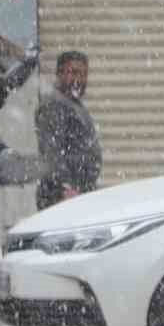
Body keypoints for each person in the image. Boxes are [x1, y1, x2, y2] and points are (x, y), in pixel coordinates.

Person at [35, 50, 102, 211]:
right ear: (59, 74)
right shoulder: (54, 105)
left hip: (80, 194)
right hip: (63, 197)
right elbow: (52, 152)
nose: (79, 79)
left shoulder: (73, 104)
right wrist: (66, 188)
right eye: (73, 72)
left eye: (84, 74)